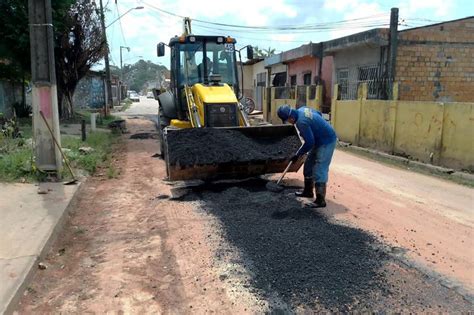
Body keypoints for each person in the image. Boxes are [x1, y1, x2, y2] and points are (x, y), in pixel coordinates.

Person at [277, 104, 337, 208]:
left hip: (327, 141)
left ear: (291, 118)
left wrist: (297, 155)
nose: (289, 123)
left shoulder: (301, 122)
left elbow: (309, 142)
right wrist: (314, 128)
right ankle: (308, 191)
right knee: (308, 165)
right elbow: (317, 114)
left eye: (287, 120)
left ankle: (320, 200)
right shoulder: (302, 109)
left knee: (320, 167)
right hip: (317, 140)